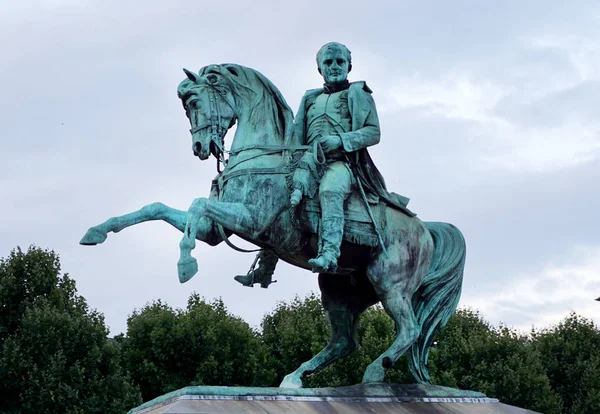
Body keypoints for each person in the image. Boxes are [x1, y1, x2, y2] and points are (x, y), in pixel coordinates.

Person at [235, 42, 414, 285]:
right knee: (278, 197)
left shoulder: (358, 94)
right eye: (328, 63)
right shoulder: (310, 99)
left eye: (340, 62)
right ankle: (265, 270)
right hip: (309, 162)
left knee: (330, 189)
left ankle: (329, 253)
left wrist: (340, 140)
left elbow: (373, 132)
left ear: (349, 65)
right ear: (320, 69)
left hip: (343, 164)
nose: (335, 67)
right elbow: (297, 136)